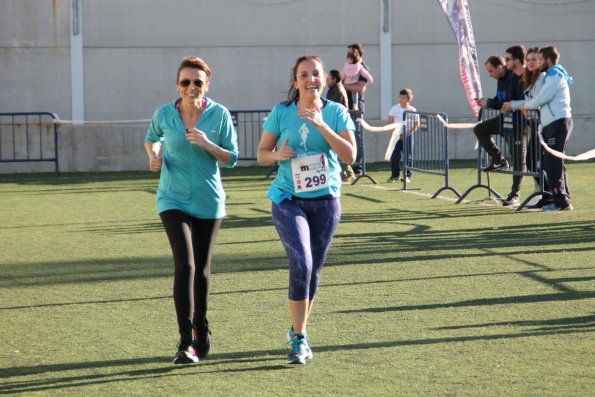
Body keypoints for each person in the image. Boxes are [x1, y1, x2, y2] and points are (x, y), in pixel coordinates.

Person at [257, 55, 356, 365]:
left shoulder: (337, 112)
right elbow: (261, 154)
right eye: (304, 74)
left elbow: (350, 155)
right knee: (301, 261)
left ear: (324, 79)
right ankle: (300, 340)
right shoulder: (281, 112)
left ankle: (297, 328)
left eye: (316, 73)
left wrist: (321, 124)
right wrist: (277, 155)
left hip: (326, 201)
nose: (310, 79)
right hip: (288, 198)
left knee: (313, 270)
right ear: (295, 81)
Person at [144, 56, 239, 364]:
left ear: (206, 86)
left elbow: (232, 158)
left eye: (198, 82)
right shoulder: (164, 114)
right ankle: (185, 342)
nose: (191, 87)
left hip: (209, 201)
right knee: (184, 265)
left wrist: (208, 143)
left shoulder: (219, 115)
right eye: (185, 82)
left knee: (202, 269)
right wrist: (154, 155)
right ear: (177, 85)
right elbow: (151, 139)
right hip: (171, 198)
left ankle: (201, 328)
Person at [521, 46, 573, 211]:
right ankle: (562, 199)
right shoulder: (553, 75)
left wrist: (525, 105)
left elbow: (541, 98)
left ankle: (561, 202)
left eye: (541, 59)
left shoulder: (554, 76)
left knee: (552, 162)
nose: (539, 63)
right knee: (552, 162)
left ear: (548, 60)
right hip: (553, 123)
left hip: (558, 123)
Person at [502, 47, 550, 207]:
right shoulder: (529, 78)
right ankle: (546, 194)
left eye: (534, 60)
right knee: (532, 160)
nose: (530, 63)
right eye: (528, 60)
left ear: (541, 61)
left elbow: (537, 100)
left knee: (542, 161)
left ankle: (551, 195)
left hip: (548, 123)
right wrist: (524, 107)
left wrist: (520, 106)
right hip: (537, 124)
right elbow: (530, 101)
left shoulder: (543, 77)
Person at [473, 50, 524, 173]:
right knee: (479, 129)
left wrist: (489, 103)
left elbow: (508, 102)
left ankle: (517, 191)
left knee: (519, 160)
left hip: (516, 121)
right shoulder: (500, 80)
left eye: (491, 71)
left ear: (499, 66)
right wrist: (485, 102)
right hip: (504, 119)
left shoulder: (512, 77)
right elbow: (499, 100)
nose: (490, 75)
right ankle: (498, 159)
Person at [493, 45, 527, 206]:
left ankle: (516, 194)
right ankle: (499, 159)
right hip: (508, 121)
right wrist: (508, 105)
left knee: (527, 161)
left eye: (508, 59)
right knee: (480, 129)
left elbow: (530, 101)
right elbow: (509, 99)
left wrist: (511, 105)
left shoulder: (530, 76)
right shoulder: (512, 77)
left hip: (525, 124)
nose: (506, 62)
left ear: (516, 60)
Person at [343, 44, 370, 175]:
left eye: (352, 53)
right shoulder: (348, 67)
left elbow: (360, 87)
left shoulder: (363, 68)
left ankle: (358, 167)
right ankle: (348, 166)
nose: (349, 55)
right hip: (345, 107)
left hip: (356, 108)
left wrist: (343, 85)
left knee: (356, 135)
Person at [325, 69, 354, 182]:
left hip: (338, 124)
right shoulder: (334, 88)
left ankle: (347, 172)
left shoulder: (337, 89)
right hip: (336, 123)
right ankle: (347, 172)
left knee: (339, 148)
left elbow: (334, 107)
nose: (326, 78)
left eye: (329, 77)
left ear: (334, 78)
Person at [386, 89, 418, 183]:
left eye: (403, 97)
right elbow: (390, 121)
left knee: (408, 156)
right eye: (400, 97)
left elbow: (416, 124)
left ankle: (407, 176)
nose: (401, 99)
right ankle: (395, 175)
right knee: (395, 156)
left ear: (409, 99)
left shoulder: (412, 110)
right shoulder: (394, 108)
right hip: (396, 136)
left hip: (407, 136)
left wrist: (406, 134)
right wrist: (394, 133)